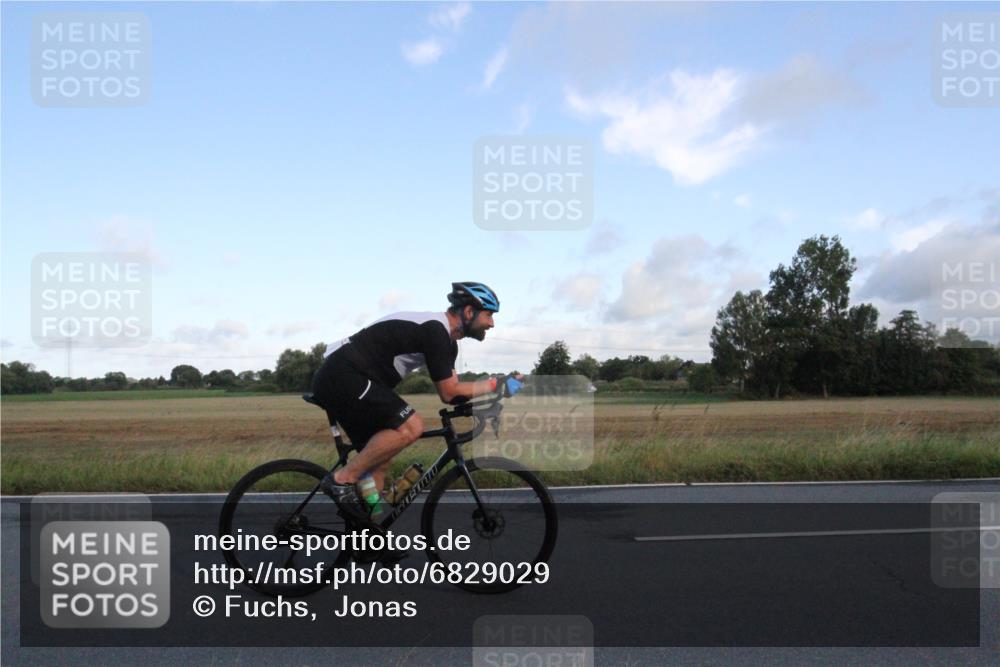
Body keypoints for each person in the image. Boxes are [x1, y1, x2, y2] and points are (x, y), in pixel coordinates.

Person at [311, 282, 522, 522]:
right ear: (468, 311)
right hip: (344, 375)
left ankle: (367, 528)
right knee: (412, 426)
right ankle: (340, 480)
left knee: (378, 462)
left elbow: (454, 394)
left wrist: (493, 395)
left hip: (351, 378)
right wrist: (495, 385)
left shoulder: (448, 343)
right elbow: (450, 392)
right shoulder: (435, 331)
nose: (492, 323)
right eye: (489, 315)